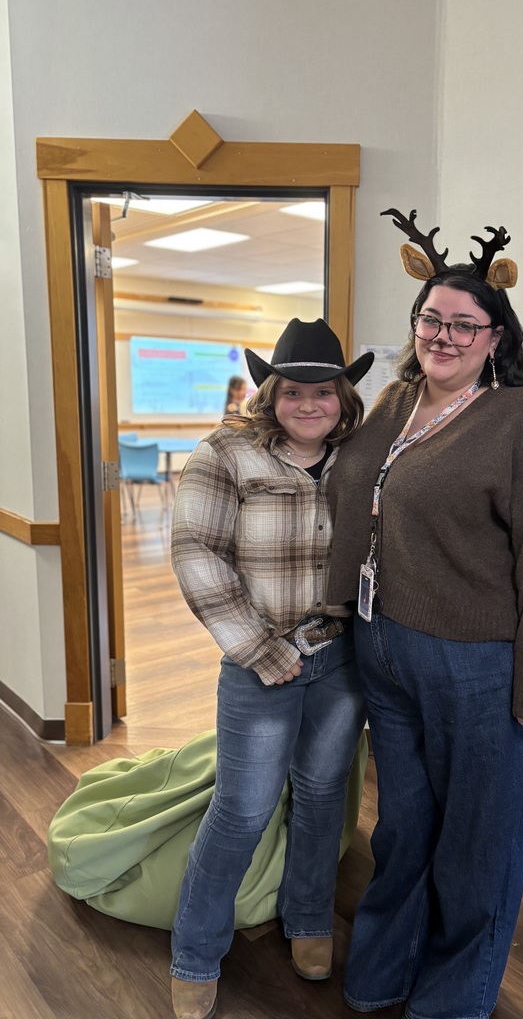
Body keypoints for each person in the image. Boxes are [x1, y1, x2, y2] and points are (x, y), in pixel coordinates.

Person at [326, 209, 523, 1019]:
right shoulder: (396, 400)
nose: (443, 335)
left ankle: (452, 1003)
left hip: (480, 669)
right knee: (404, 832)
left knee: (478, 850)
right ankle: (382, 976)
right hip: (386, 647)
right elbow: (349, 491)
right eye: (431, 319)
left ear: (497, 339)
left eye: (464, 325)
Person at [169, 318, 374, 1019]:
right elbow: (196, 553)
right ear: (272, 393)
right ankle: (195, 955)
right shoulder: (226, 454)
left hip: (342, 659)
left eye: (324, 390)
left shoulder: (362, 458)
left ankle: (309, 921)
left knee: (321, 798)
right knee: (243, 809)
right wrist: (261, 648)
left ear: (344, 397)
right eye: (294, 390)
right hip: (260, 664)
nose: (309, 403)